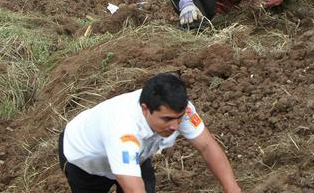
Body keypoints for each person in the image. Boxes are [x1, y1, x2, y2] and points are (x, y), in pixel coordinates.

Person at [58, 73, 243, 193]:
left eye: (178, 118)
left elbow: (207, 146)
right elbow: (130, 184)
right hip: (84, 160)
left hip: (135, 155)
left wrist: (232, 188)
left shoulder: (180, 110)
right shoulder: (124, 129)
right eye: (167, 119)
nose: (175, 126)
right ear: (145, 109)